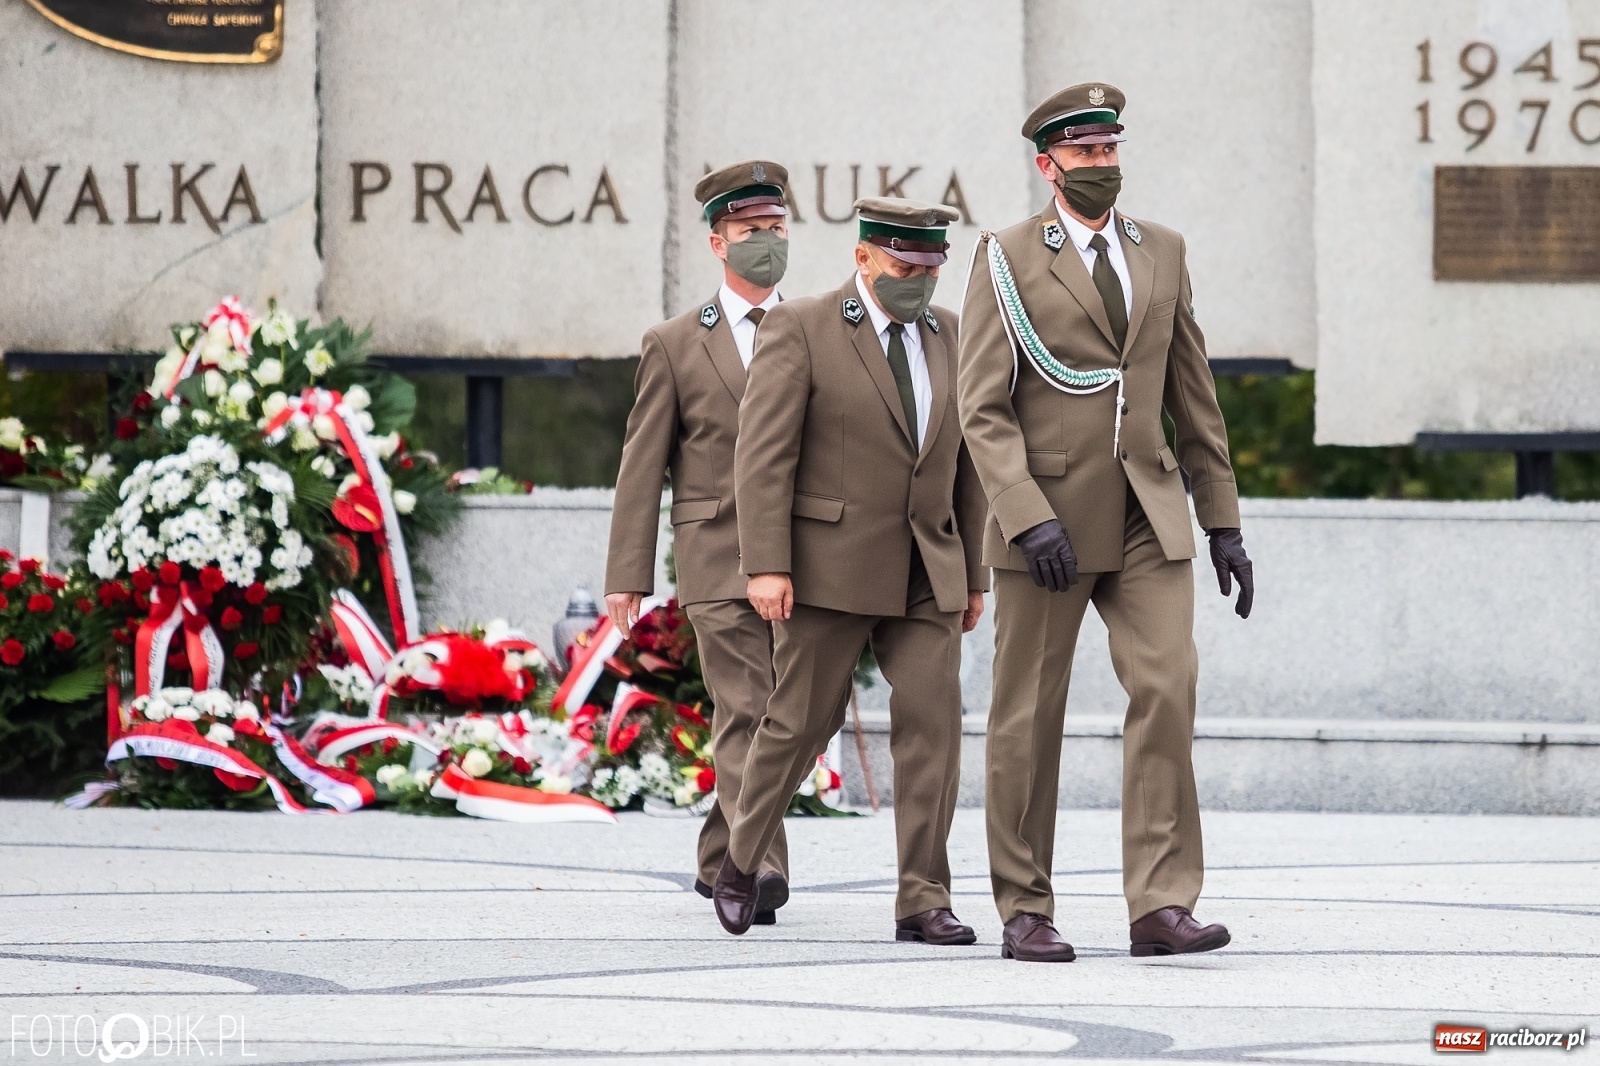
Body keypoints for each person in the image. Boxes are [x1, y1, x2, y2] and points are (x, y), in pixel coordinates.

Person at [957, 83, 1255, 962]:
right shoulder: (1005, 256)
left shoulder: (1161, 249)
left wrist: (1223, 519)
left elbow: (1191, 392)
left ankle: (1161, 904)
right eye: (1083, 154)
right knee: (1027, 716)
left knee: (1167, 688)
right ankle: (1026, 908)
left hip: (1147, 512)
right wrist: (1022, 513)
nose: (1102, 165)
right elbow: (982, 406)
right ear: (1047, 165)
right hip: (1045, 520)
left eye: (1110, 149)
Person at [715, 197, 989, 944]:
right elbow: (762, 457)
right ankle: (741, 858)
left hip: (928, 568)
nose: (919, 281)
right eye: (905, 265)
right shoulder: (800, 327)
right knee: (800, 723)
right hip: (828, 567)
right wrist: (766, 564)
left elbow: (966, 460)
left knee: (935, 730)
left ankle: (923, 898)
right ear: (864, 257)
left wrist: (975, 574)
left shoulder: (951, 335)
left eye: (931, 268)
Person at [605, 160, 797, 925]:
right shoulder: (676, 342)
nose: (767, 244)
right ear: (719, 243)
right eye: (752, 232)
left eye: (778, 230)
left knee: (789, 713)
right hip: (716, 553)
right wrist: (630, 573)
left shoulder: (817, 328)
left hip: (801, 555)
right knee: (749, 706)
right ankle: (758, 867)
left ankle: (719, 854)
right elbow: (641, 464)